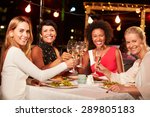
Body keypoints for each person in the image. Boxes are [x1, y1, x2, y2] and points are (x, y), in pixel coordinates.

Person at [0, 16, 74, 99]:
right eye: (21, 31)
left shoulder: (10, 50)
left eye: (27, 31)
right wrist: (65, 65)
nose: (25, 35)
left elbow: (11, 77)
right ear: (11, 33)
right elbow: (41, 75)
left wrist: (29, 81)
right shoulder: (15, 51)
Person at [97, 26, 150, 99]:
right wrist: (105, 71)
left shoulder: (148, 58)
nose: (131, 45)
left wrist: (124, 88)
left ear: (143, 40)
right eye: (128, 42)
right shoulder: (138, 63)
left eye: (134, 41)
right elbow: (124, 78)